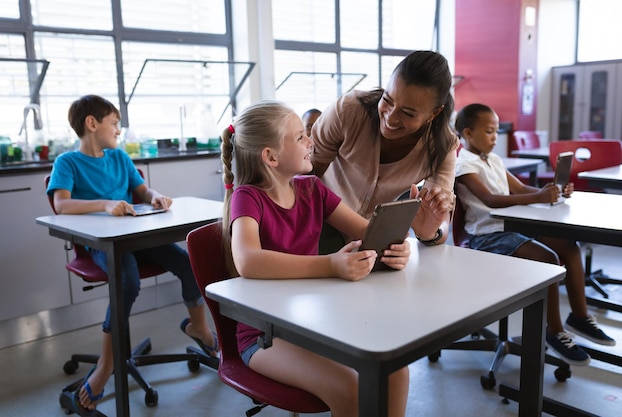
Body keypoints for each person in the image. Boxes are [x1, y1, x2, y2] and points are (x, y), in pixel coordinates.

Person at [220, 100, 410, 417]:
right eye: (300, 137)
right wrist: (330, 264)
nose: (311, 142)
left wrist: (393, 246)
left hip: (313, 323)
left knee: (394, 370)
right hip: (264, 336)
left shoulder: (312, 189)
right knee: (348, 388)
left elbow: (368, 232)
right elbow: (248, 261)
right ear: (270, 156)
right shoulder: (248, 197)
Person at [46, 95, 218, 414]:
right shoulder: (67, 163)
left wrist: (156, 197)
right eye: (114, 123)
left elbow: (142, 192)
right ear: (91, 123)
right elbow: (61, 205)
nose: (118, 130)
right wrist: (105, 204)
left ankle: (199, 328)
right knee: (127, 280)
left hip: (138, 236)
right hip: (101, 246)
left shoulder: (120, 157)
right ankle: (105, 365)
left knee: (189, 261)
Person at [454, 103, 616, 366]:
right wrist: (538, 196)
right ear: (468, 133)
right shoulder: (464, 164)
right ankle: (553, 332)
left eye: (496, 131)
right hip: (487, 236)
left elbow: (517, 188)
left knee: (568, 245)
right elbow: (490, 200)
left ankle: (579, 316)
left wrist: (551, 191)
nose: (495, 137)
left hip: (511, 227)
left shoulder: (492, 159)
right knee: (548, 259)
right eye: (489, 132)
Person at [311, 50, 457, 250]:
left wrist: (430, 231)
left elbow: (439, 221)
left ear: (434, 113)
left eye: (407, 113)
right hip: (319, 224)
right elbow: (305, 179)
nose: (390, 117)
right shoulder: (348, 111)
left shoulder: (443, 146)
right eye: (387, 100)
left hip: (372, 240)